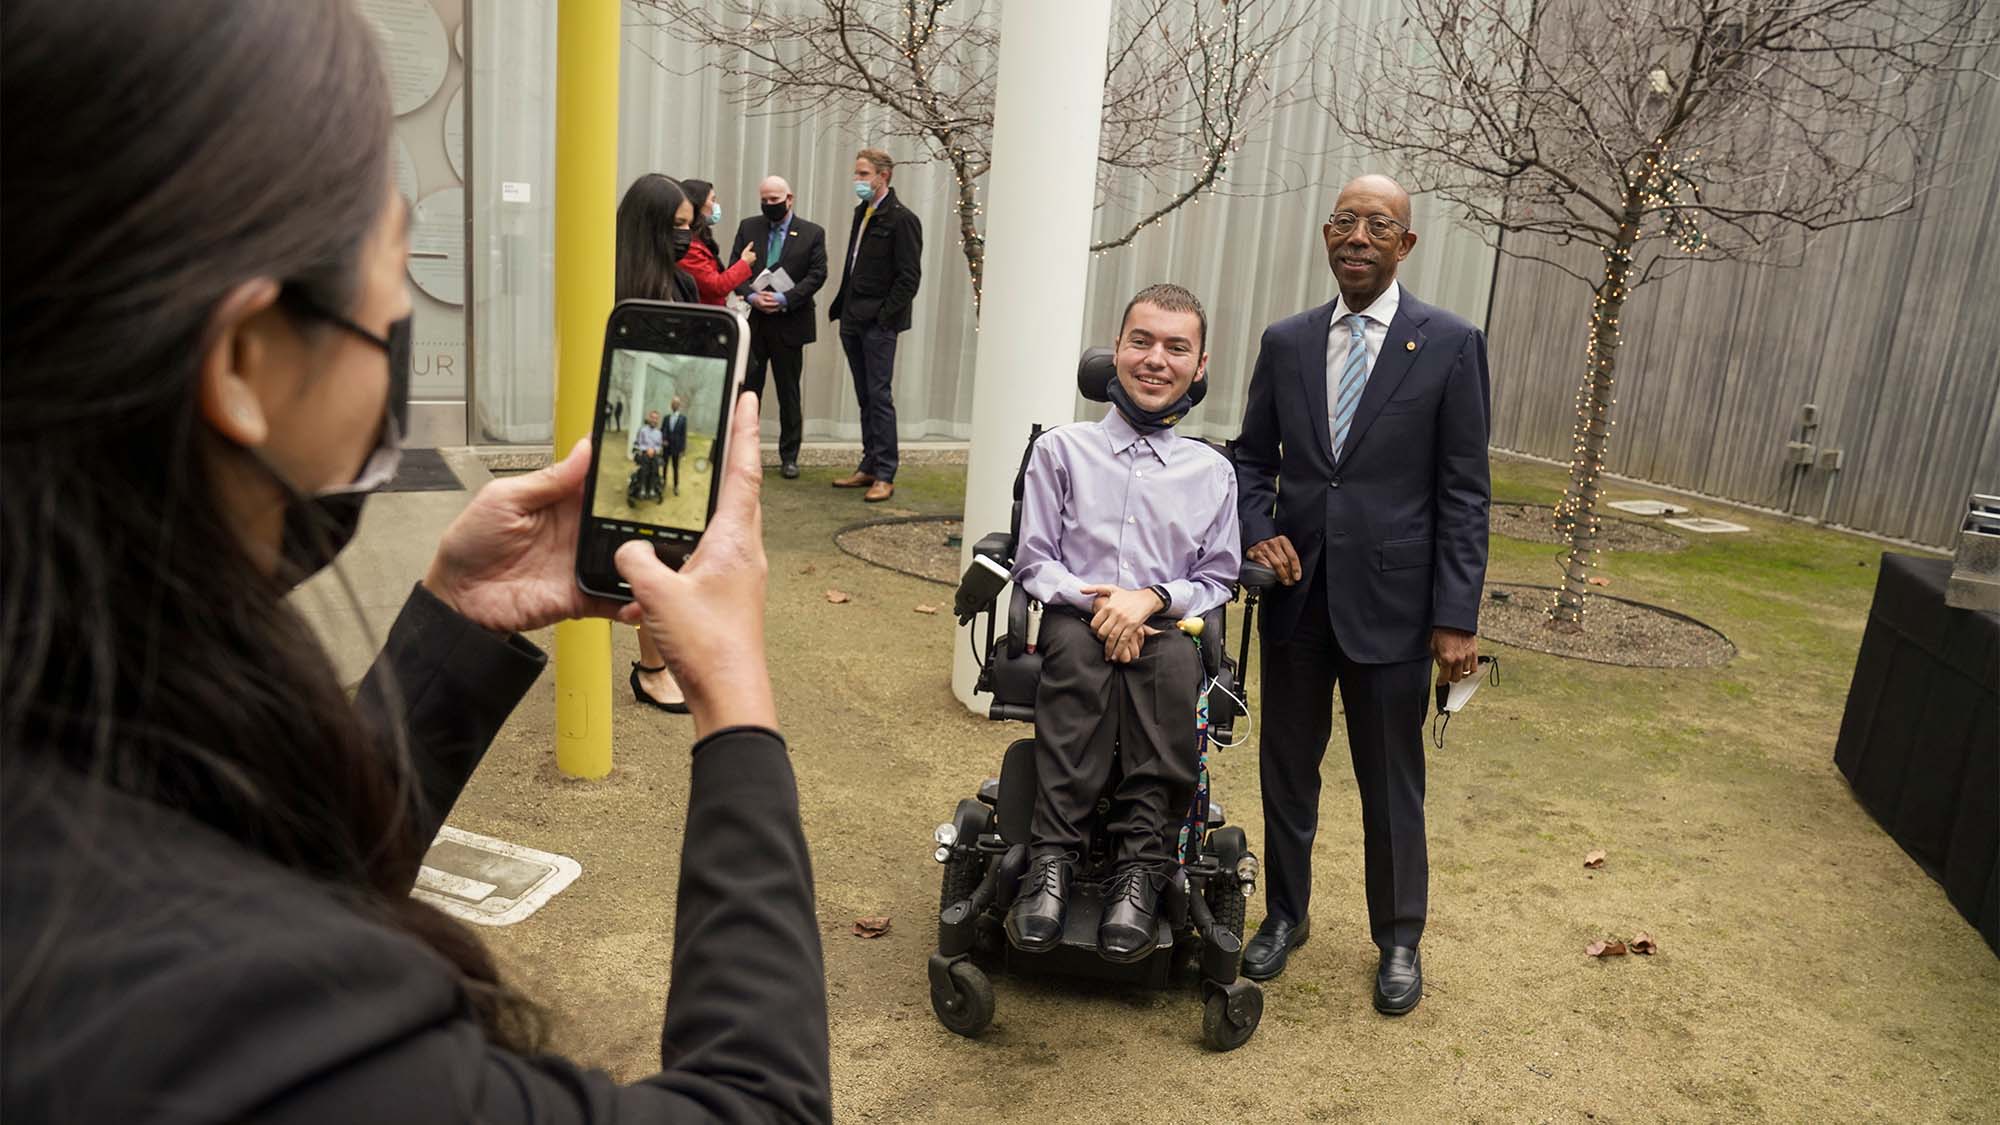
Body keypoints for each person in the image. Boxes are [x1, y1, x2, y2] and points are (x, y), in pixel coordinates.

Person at [0, 5, 830, 1122]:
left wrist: (452, 620)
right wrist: (734, 703)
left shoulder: (66, 726)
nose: (399, 309)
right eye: (395, 259)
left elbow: (254, 868)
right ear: (245, 358)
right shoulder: (227, 1022)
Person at [1230, 174, 1491, 1015]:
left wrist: (1455, 617)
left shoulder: (1449, 343)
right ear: (1326, 234)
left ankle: (1400, 938)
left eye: (1379, 225)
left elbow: (1464, 490)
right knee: (1287, 773)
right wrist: (1255, 529)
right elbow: (1247, 461)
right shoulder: (1286, 342)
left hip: (1396, 610)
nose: (1359, 236)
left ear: (1405, 244)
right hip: (1297, 601)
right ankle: (1285, 914)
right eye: (1345, 221)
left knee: (1391, 782)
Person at [1004, 284, 1241, 963]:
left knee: (1169, 665)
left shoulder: (1212, 471)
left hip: (1167, 626)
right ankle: (1051, 860)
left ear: (1200, 366)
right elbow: (1034, 560)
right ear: (1115, 349)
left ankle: (1140, 868)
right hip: (1076, 617)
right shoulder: (1060, 450)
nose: (1155, 359)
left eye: (1176, 347)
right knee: (1080, 656)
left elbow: (1217, 577)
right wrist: (1103, 603)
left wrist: (1150, 598)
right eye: (1141, 341)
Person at [616, 173, 699, 713]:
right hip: (617, 437)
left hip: (668, 438)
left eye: (691, 227)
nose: (687, 238)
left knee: (673, 554)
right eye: (677, 227)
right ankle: (651, 669)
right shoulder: (606, 286)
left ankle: (659, 663)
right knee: (640, 556)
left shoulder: (684, 284)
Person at [826, 147, 922, 504]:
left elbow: (909, 278)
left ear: (884, 176)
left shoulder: (902, 219)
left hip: (878, 324)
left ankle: (885, 472)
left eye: (864, 174)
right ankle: (868, 463)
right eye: (857, 174)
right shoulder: (862, 213)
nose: (858, 180)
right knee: (864, 395)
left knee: (880, 396)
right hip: (852, 317)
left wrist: (884, 316)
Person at [731, 175, 829, 480]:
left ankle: (789, 457)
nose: (768, 205)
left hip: (790, 323)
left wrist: (786, 298)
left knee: (789, 393)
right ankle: (743, 454)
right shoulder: (749, 226)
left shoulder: (812, 232)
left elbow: (818, 274)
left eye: (774, 200)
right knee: (749, 392)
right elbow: (735, 265)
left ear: (790, 198)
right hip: (755, 323)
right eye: (764, 200)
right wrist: (750, 295)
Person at [677, 177, 756, 305]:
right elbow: (716, 286)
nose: (716, 206)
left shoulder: (700, 238)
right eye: (712, 200)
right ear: (698, 203)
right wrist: (744, 263)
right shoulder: (688, 246)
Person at [633, 409, 667, 501]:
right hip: (644, 452)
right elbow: (639, 443)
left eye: (656, 418)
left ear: (657, 420)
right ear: (649, 418)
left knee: (655, 463)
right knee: (646, 461)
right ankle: (643, 488)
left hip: (654, 454)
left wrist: (654, 450)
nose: (654, 420)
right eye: (652, 417)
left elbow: (659, 446)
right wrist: (647, 449)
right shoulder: (643, 430)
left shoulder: (659, 433)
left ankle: (652, 488)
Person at [663, 395, 690, 496]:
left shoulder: (683, 419)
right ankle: (663, 482)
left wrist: (683, 449)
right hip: (666, 447)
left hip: (676, 448)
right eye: (673, 403)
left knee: (675, 467)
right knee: (664, 466)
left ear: (679, 405)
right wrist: (664, 439)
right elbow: (663, 430)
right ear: (671, 405)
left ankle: (676, 486)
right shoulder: (666, 418)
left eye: (676, 403)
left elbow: (683, 435)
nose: (674, 405)